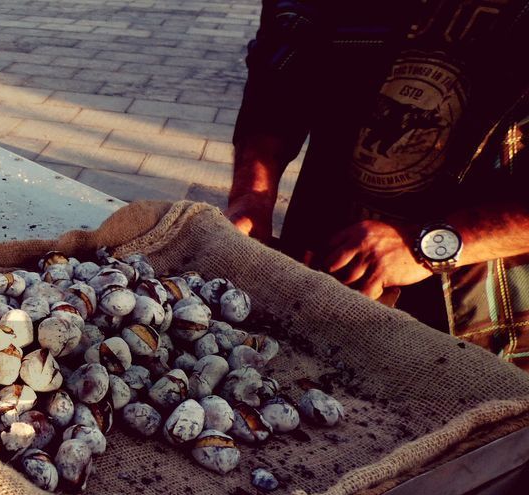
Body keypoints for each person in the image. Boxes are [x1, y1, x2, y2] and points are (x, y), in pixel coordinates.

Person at [226, 0, 529, 368]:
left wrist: (431, 244)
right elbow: (279, 73)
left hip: (472, 312)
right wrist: (251, 197)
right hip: (323, 263)